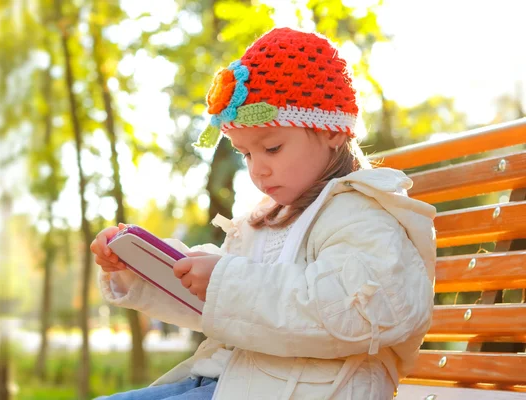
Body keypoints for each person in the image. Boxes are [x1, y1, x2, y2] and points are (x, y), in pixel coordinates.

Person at [91, 27, 437, 400]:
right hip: (234, 380)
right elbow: (234, 308)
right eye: (246, 154)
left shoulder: (363, 212)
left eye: (271, 148)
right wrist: (142, 267)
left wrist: (225, 281)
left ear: (333, 132)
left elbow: (358, 310)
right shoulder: (268, 217)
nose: (258, 169)